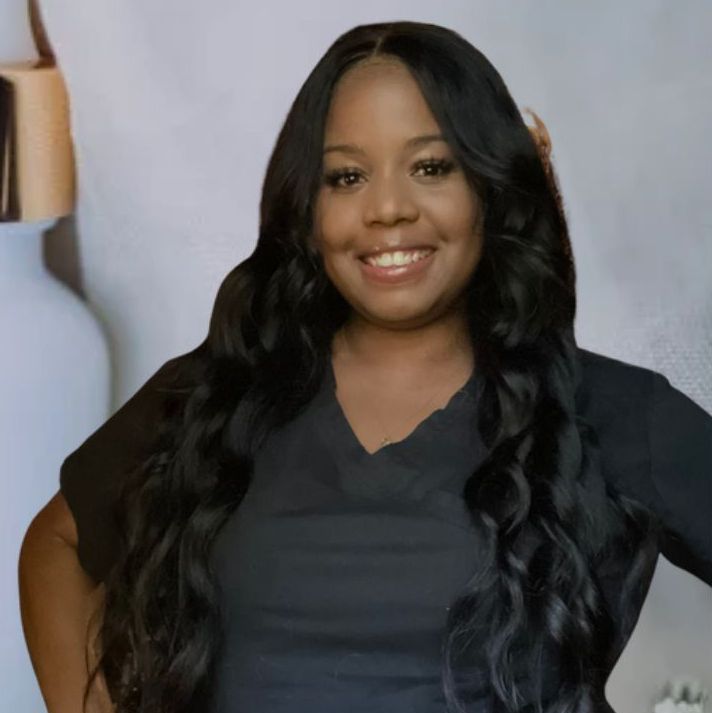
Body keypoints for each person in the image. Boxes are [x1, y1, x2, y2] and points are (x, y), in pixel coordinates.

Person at [19, 20, 712, 713]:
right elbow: (56, 543)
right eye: (347, 176)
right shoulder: (220, 393)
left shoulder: (610, 410)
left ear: (490, 187)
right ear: (308, 207)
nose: (386, 209)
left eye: (431, 167)